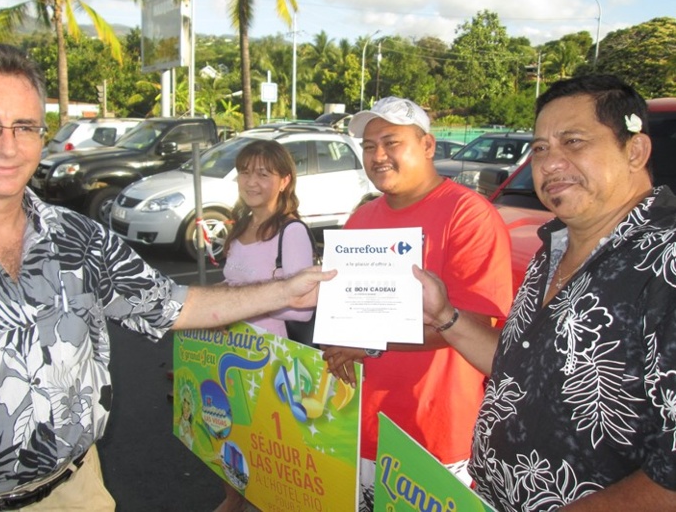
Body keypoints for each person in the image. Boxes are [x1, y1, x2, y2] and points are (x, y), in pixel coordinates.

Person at [0, 42, 333, 512]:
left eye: (24, 126)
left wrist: (287, 288)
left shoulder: (81, 238)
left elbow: (172, 303)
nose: (8, 145)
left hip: (79, 492)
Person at [416, 74, 676, 511]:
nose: (549, 163)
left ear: (635, 151)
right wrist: (446, 316)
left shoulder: (665, 263)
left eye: (573, 142)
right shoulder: (553, 247)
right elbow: (521, 366)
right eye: (539, 148)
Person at [321, 96, 513, 511]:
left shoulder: (468, 215)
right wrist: (334, 337)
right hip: (360, 425)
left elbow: (475, 324)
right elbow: (347, 314)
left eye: (391, 142)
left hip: (434, 435)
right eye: (369, 146)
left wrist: (367, 343)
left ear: (428, 146)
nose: (378, 155)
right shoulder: (361, 218)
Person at [214, 139, 315, 512]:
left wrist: (239, 308)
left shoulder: (291, 233)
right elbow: (232, 285)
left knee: (269, 449)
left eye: (263, 173)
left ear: (284, 180)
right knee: (227, 432)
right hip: (229, 356)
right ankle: (232, 499)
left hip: (270, 364)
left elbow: (303, 311)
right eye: (244, 171)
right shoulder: (240, 226)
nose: (251, 181)